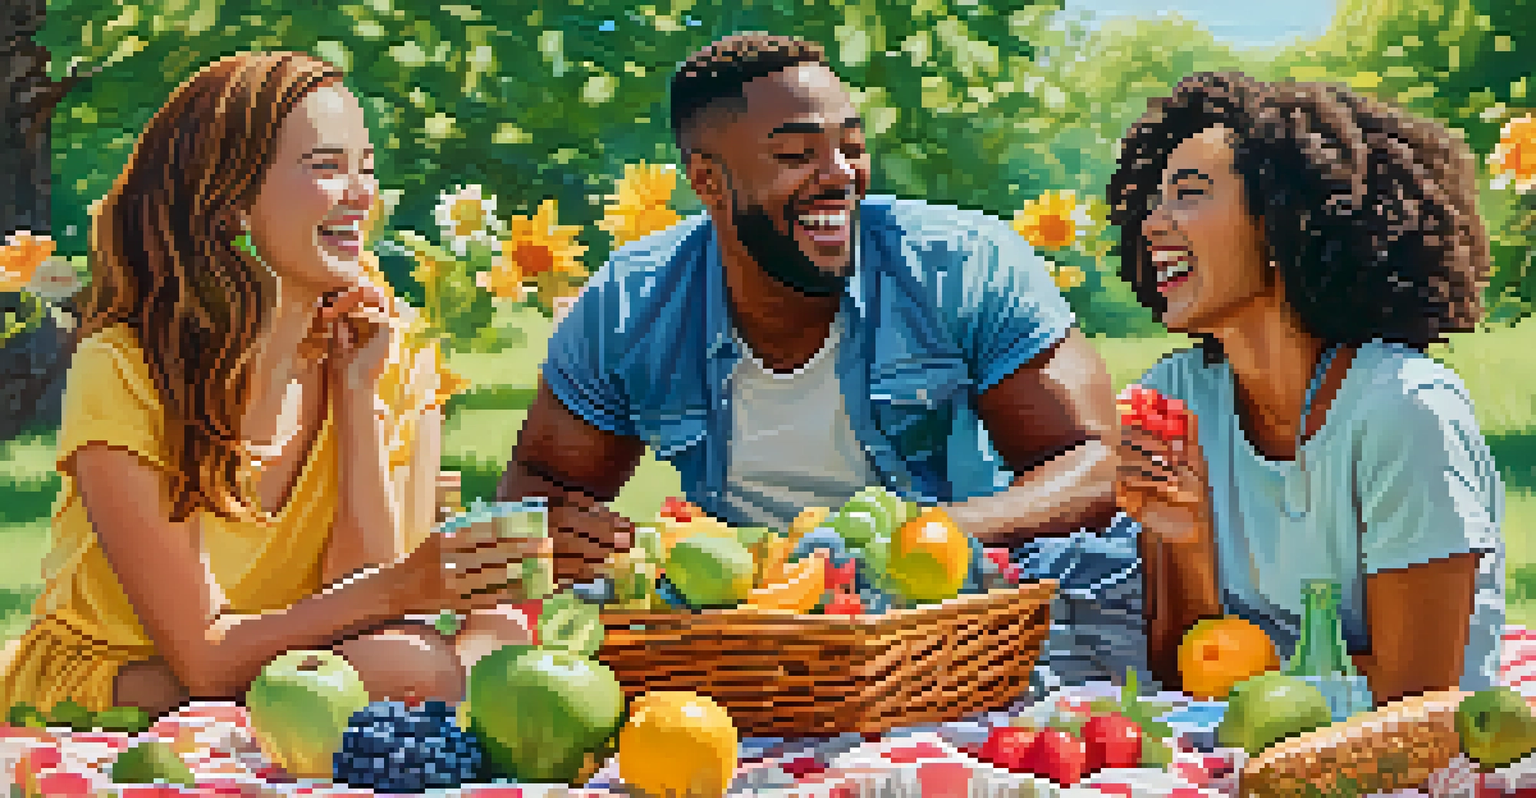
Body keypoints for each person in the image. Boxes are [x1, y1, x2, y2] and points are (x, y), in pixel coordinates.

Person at [498, 34, 1146, 691]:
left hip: (953, 631)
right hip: (756, 647)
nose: (839, 173)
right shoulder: (632, 305)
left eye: (852, 146)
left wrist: (921, 536)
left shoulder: (962, 265)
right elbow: (539, 486)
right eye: (796, 154)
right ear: (708, 181)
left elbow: (1097, 466)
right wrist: (565, 535)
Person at [0, 52, 544, 720]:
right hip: (132, 673)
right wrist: (409, 588)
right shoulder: (126, 367)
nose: (360, 195)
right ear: (228, 202)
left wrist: (356, 396)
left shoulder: (389, 350)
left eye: (365, 168)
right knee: (415, 667)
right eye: (325, 167)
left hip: (311, 657)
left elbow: (364, 601)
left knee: (487, 640)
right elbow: (202, 658)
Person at [1106, 72, 1506, 703]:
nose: (1153, 223)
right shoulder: (1178, 396)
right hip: (1251, 744)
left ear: (1282, 219)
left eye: (1187, 194)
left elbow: (1419, 692)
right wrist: (1185, 541)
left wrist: (1248, 687)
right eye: (1154, 200)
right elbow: (1180, 672)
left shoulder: (1403, 410)